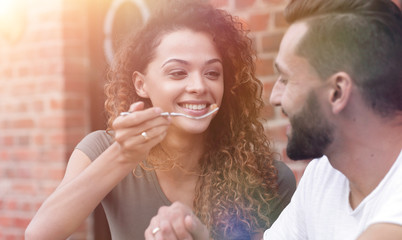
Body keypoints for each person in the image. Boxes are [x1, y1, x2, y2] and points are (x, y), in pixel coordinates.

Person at [25, 1, 296, 239]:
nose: (199, 86)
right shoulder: (101, 150)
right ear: (141, 85)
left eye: (212, 73)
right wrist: (122, 156)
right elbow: (40, 234)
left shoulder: (269, 178)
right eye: (178, 73)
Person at [144, 0, 402, 239]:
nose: (275, 97)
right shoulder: (323, 176)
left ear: (337, 92)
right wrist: (198, 234)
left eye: (287, 80)